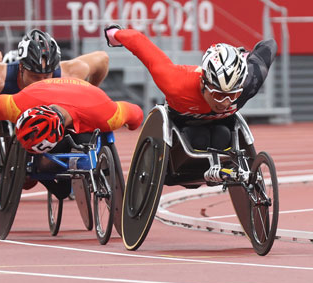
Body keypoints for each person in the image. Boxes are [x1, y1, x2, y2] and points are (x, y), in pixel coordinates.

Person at [103, 24, 277, 182]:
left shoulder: (249, 84)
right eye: (217, 94)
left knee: (222, 135)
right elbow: (140, 44)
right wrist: (115, 33)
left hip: (221, 129)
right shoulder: (175, 83)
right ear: (204, 83)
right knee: (200, 138)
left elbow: (268, 46)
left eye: (232, 95)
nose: (224, 102)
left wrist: (246, 57)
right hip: (182, 129)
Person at [0, 76, 143, 195]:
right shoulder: (18, 105)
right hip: (40, 95)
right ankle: (43, 166)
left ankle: (61, 164)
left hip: (89, 105)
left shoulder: (105, 115)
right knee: (55, 182)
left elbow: (136, 113)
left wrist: (133, 124)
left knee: (83, 145)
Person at [0, 28, 109, 107]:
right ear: (21, 68)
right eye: (35, 76)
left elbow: (102, 59)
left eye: (47, 76)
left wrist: (90, 89)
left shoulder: (69, 73)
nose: (42, 82)